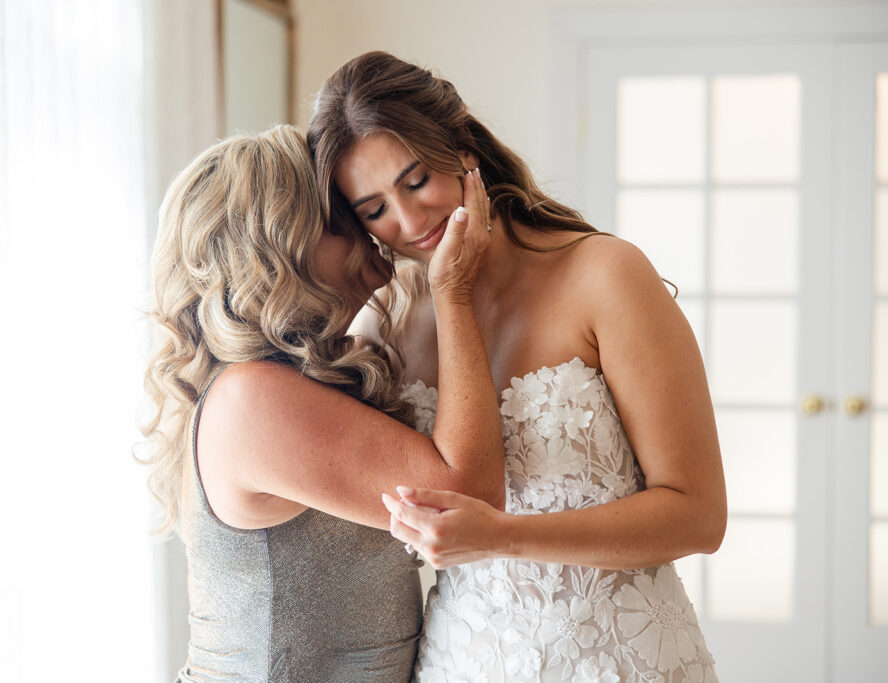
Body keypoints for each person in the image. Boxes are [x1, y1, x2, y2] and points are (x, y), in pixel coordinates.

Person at [309, 52, 726, 682]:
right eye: (374, 210)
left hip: (621, 657)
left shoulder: (605, 276)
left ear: (463, 147)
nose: (410, 220)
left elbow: (698, 515)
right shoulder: (387, 317)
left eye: (416, 180)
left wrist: (503, 535)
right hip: (466, 657)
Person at [139, 124, 505, 682]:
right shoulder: (251, 400)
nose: (369, 225)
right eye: (340, 215)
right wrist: (451, 290)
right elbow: (468, 499)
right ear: (280, 250)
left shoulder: (311, 373)